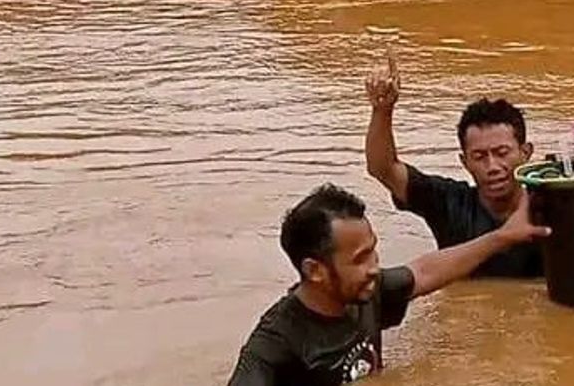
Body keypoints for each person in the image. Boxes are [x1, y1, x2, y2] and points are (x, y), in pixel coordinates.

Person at [228, 183, 548, 386]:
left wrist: (503, 236)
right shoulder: (274, 347)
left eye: (374, 250)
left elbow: (425, 272)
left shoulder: (366, 292)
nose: (374, 267)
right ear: (315, 271)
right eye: (360, 258)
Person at [365, 50, 541, 277]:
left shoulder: (553, 206)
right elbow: (383, 169)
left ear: (526, 153)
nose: (493, 166)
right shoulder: (448, 204)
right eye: (479, 157)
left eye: (502, 153)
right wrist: (382, 110)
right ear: (464, 161)